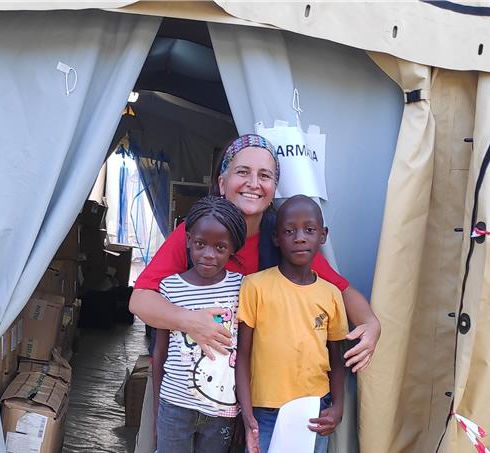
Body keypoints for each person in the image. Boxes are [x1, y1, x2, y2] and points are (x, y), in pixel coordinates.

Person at [130, 134, 380, 373]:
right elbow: (140, 299)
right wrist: (187, 320)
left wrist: (371, 323)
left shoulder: (285, 238)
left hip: (260, 384)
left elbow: (342, 290)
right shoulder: (195, 232)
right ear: (222, 183)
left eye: (264, 175)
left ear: (273, 189)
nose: (253, 183)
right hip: (189, 382)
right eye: (242, 172)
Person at [236, 195, 346, 453]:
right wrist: (246, 413)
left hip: (314, 410)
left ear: (322, 235)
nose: (299, 238)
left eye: (309, 230)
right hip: (264, 412)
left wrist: (338, 407)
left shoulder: (331, 294)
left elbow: (336, 359)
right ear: (276, 238)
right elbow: (242, 355)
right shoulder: (255, 286)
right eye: (289, 231)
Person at [152, 196, 247, 453]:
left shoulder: (242, 287)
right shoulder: (169, 287)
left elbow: (246, 353)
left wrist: (243, 410)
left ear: (233, 248)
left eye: (220, 247)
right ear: (188, 240)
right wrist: (156, 409)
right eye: (200, 244)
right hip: (174, 405)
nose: (208, 254)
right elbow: (160, 352)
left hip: (222, 409)